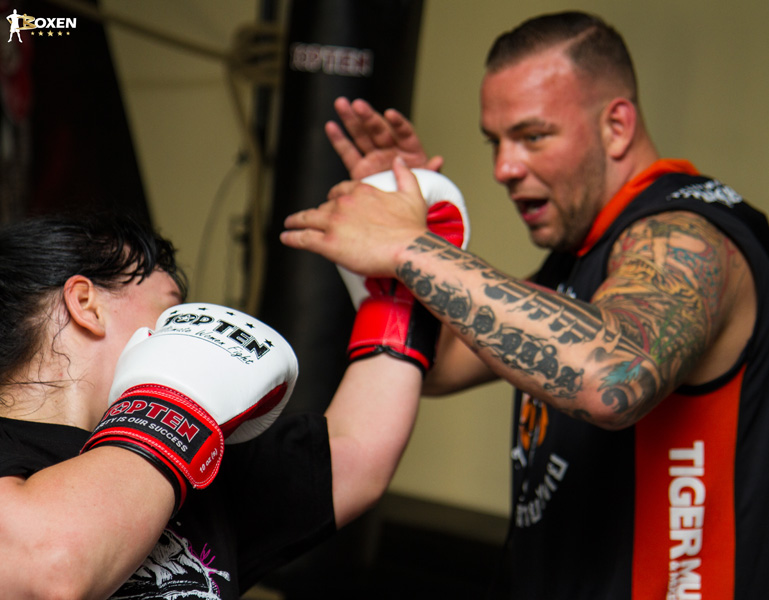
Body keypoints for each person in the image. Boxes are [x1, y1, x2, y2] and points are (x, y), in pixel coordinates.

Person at [280, 10, 769, 599]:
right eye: (496, 142)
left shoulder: (689, 236)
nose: (504, 169)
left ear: (616, 126)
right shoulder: (583, 256)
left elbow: (615, 378)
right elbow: (434, 366)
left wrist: (409, 248)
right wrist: (413, 234)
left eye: (533, 136)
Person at [0, 212, 434, 599]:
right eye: (170, 308)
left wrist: (400, 278)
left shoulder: (202, 471)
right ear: (86, 305)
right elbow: (46, 568)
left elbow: (355, 454)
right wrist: (169, 406)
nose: (181, 331)